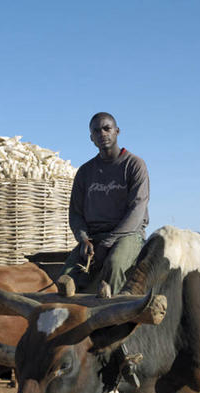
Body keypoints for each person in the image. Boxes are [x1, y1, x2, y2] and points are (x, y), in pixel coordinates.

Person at [59, 112, 149, 296]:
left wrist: (108, 242)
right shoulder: (85, 172)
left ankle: (114, 311)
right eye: (96, 131)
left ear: (117, 131)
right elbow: (75, 213)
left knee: (115, 265)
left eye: (107, 128)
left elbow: (137, 210)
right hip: (94, 237)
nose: (102, 134)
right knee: (67, 275)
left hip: (128, 235)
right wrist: (84, 239)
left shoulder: (134, 165)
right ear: (91, 137)